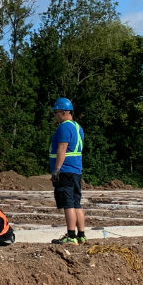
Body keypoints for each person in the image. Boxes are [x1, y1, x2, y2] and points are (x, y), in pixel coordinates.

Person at [49, 97, 86, 244]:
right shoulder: (78, 127)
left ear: (64, 112)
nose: (55, 115)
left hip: (65, 170)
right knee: (76, 203)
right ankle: (81, 234)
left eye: (56, 112)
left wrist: (56, 169)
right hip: (76, 170)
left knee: (68, 203)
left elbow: (62, 148)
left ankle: (71, 236)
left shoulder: (64, 127)